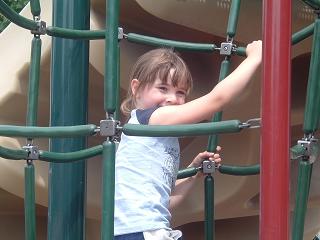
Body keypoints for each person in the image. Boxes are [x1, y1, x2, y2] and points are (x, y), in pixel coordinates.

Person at [114, 40, 262, 240]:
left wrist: (193, 173)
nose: (172, 98)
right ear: (136, 88)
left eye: (180, 92)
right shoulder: (151, 119)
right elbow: (216, 100)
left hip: (142, 230)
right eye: (163, 88)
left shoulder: (153, 135)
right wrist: (254, 58)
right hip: (142, 231)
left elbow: (166, 200)